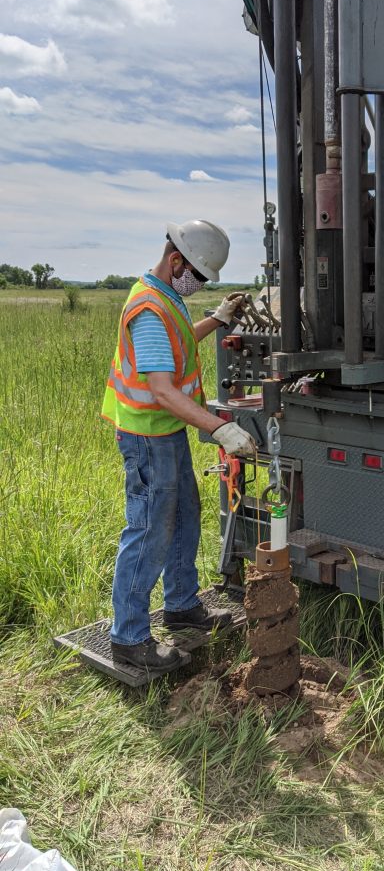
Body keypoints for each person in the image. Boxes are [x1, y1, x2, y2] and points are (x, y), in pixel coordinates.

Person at [101, 219, 259, 671]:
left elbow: (179, 341)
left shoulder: (164, 298)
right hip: (147, 435)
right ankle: (129, 638)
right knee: (150, 529)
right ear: (176, 262)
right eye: (200, 277)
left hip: (165, 433)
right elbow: (163, 389)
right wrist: (219, 428)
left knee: (186, 515)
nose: (200, 284)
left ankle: (182, 605)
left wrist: (219, 318)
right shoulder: (149, 308)